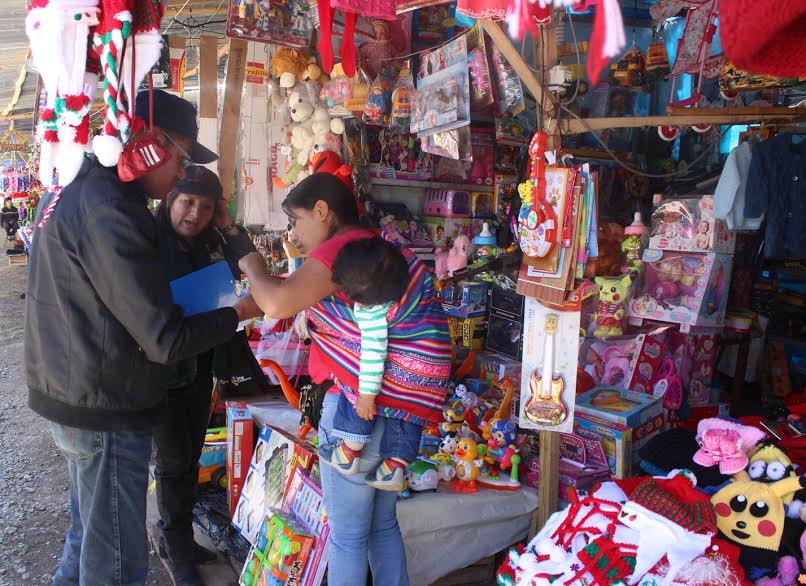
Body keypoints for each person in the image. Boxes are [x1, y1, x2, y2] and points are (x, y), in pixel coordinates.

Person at [25, 89, 261, 586]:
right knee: (114, 564)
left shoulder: (74, 183)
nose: (180, 172)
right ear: (147, 143)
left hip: (75, 390)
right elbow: (164, 339)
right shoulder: (112, 208)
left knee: (87, 538)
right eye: (179, 157)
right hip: (104, 403)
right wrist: (238, 313)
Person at [237, 173, 452, 586]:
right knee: (381, 527)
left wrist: (252, 266)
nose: (293, 235)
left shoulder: (340, 252)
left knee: (348, 537)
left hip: (356, 410)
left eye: (296, 222)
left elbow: (278, 302)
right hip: (400, 409)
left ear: (322, 211)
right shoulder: (383, 250)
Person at [151, 166, 257, 585]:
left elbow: (247, 265)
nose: (194, 213)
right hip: (161, 369)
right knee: (174, 460)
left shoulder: (210, 239)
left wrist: (229, 226)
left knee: (190, 456)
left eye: (205, 206)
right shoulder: (148, 240)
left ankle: (174, 536)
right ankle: (177, 549)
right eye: (187, 202)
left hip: (198, 364)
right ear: (169, 200)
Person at [321, 238, 416, 491]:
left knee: (352, 385)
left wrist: (366, 395)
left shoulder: (371, 313)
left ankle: (348, 452)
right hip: (414, 379)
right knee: (409, 410)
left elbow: (373, 354)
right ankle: (394, 466)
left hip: (378, 382)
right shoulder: (402, 302)